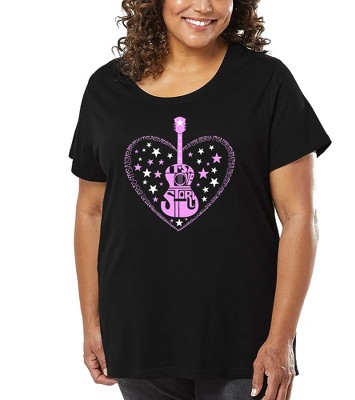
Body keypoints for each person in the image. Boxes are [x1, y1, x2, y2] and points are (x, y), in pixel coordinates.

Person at [68, 0, 332, 399]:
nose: (204, 6)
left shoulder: (267, 81)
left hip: (245, 340)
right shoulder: (107, 87)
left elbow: (299, 215)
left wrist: (281, 340)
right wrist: (92, 321)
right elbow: (91, 210)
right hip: (137, 333)